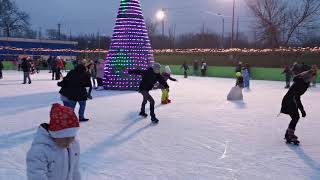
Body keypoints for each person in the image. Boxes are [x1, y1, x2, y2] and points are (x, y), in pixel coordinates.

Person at [26, 103, 81, 180]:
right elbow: (36, 175)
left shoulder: (74, 145)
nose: (69, 142)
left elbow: (75, 171)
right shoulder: (40, 151)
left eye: (72, 137)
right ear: (55, 134)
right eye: (66, 138)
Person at [280, 68, 317, 143]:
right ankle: (290, 134)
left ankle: (288, 133)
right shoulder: (301, 82)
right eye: (312, 75)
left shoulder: (304, 82)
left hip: (291, 100)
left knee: (295, 117)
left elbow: (297, 96)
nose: (313, 77)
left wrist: (302, 109)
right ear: (308, 75)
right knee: (295, 117)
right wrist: (302, 110)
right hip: (289, 100)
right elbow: (296, 95)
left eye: (314, 75)